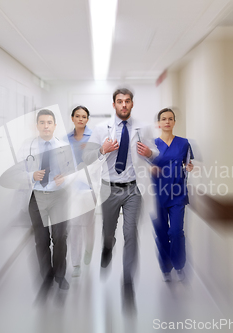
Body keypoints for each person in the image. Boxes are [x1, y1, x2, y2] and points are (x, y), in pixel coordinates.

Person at [83, 88, 159, 307]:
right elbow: (87, 157)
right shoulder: (100, 129)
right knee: (108, 232)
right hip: (109, 188)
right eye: (119, 101)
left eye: (127, 101)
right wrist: (102, 150)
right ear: (113, 104)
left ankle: (127, 282)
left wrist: (150, 155)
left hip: (134, 189)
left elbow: (156, 156)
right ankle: (107, 247)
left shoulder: (143, 128)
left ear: (132, 104)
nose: (123, 105)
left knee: (131, 234)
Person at [17, 109, 75, 295]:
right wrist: (30, 175)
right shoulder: (28, 147)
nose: (46, 126)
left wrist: (65, 178)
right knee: (40, 241)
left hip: (59, 197)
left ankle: (60, 274)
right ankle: (46, 277)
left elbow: (74, 171)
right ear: (37, 126)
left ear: (55, 126)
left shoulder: (64, 145)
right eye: (42, 122)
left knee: (60, 238)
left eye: (49, 122)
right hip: (37, 196)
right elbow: (17, 172)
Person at [151, 108, 194, 282]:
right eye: (163, 119)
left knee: (176, 231)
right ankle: (166, 267)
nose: (167, 121)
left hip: (177, 193)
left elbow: (188, 163)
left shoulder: (184, 143)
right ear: (158, 123)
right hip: (157, 195)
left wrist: (189, 167)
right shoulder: (152, 144)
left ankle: (179, 265)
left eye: (170, 119)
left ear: (174, 122)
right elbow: (144, 165)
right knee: (161, 233)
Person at [67, 106, 95, 278]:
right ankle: (75, 263)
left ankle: (89, 249)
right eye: (77, 116)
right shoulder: (65, 139)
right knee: (74, 225)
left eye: (84, 116)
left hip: (90, 187)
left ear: (87, 119)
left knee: (88, 224)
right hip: (72, 189)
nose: (80, 119)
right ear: (72, 118)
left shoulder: (94, 137)